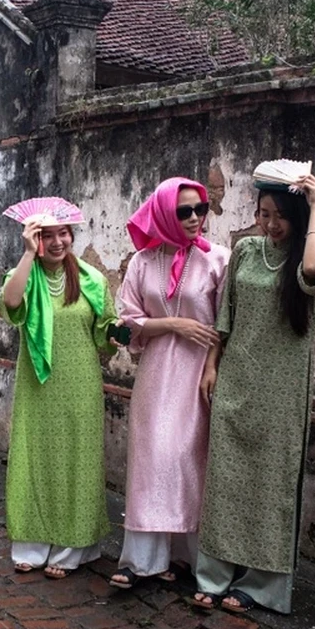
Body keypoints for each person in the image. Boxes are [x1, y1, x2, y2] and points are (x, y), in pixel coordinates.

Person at [192, 171, 315, 614]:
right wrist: (212, 364)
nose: (269, 224)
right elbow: (224, 315)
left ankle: (261, 586)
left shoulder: (310, 256)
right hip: (236, 379)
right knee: (226, 482)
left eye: (278, 216)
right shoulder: (247, 251)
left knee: (271, 485)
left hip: (282, 391)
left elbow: (312, 272)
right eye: (262, 214)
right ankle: (214, 576)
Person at [109, 178, 230, 590]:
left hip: (199, 376)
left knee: (189, 461)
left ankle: (191, 560)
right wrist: (173, 324)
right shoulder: (142, 262)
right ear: (163, 213)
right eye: (184, 211)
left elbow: (228, 323)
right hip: (157, 375)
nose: (195, 218)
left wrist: (214, 363)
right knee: (152, 461)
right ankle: (140, 561)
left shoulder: (219, 260)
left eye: (201, 209)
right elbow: (126, 321)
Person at [0, 212, 118, 579]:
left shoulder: (91, 280)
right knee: (34, 458)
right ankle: (32, 547)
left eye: (62, 234)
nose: (56, 242)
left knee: (77, 462)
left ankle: (71, 550)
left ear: (71, 235)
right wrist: (26, 254)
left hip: (80, 386)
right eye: (46, 235)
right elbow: (11, 304)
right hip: (38, 385)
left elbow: (105, 332)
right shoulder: (26, 275)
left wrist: (117, 334)